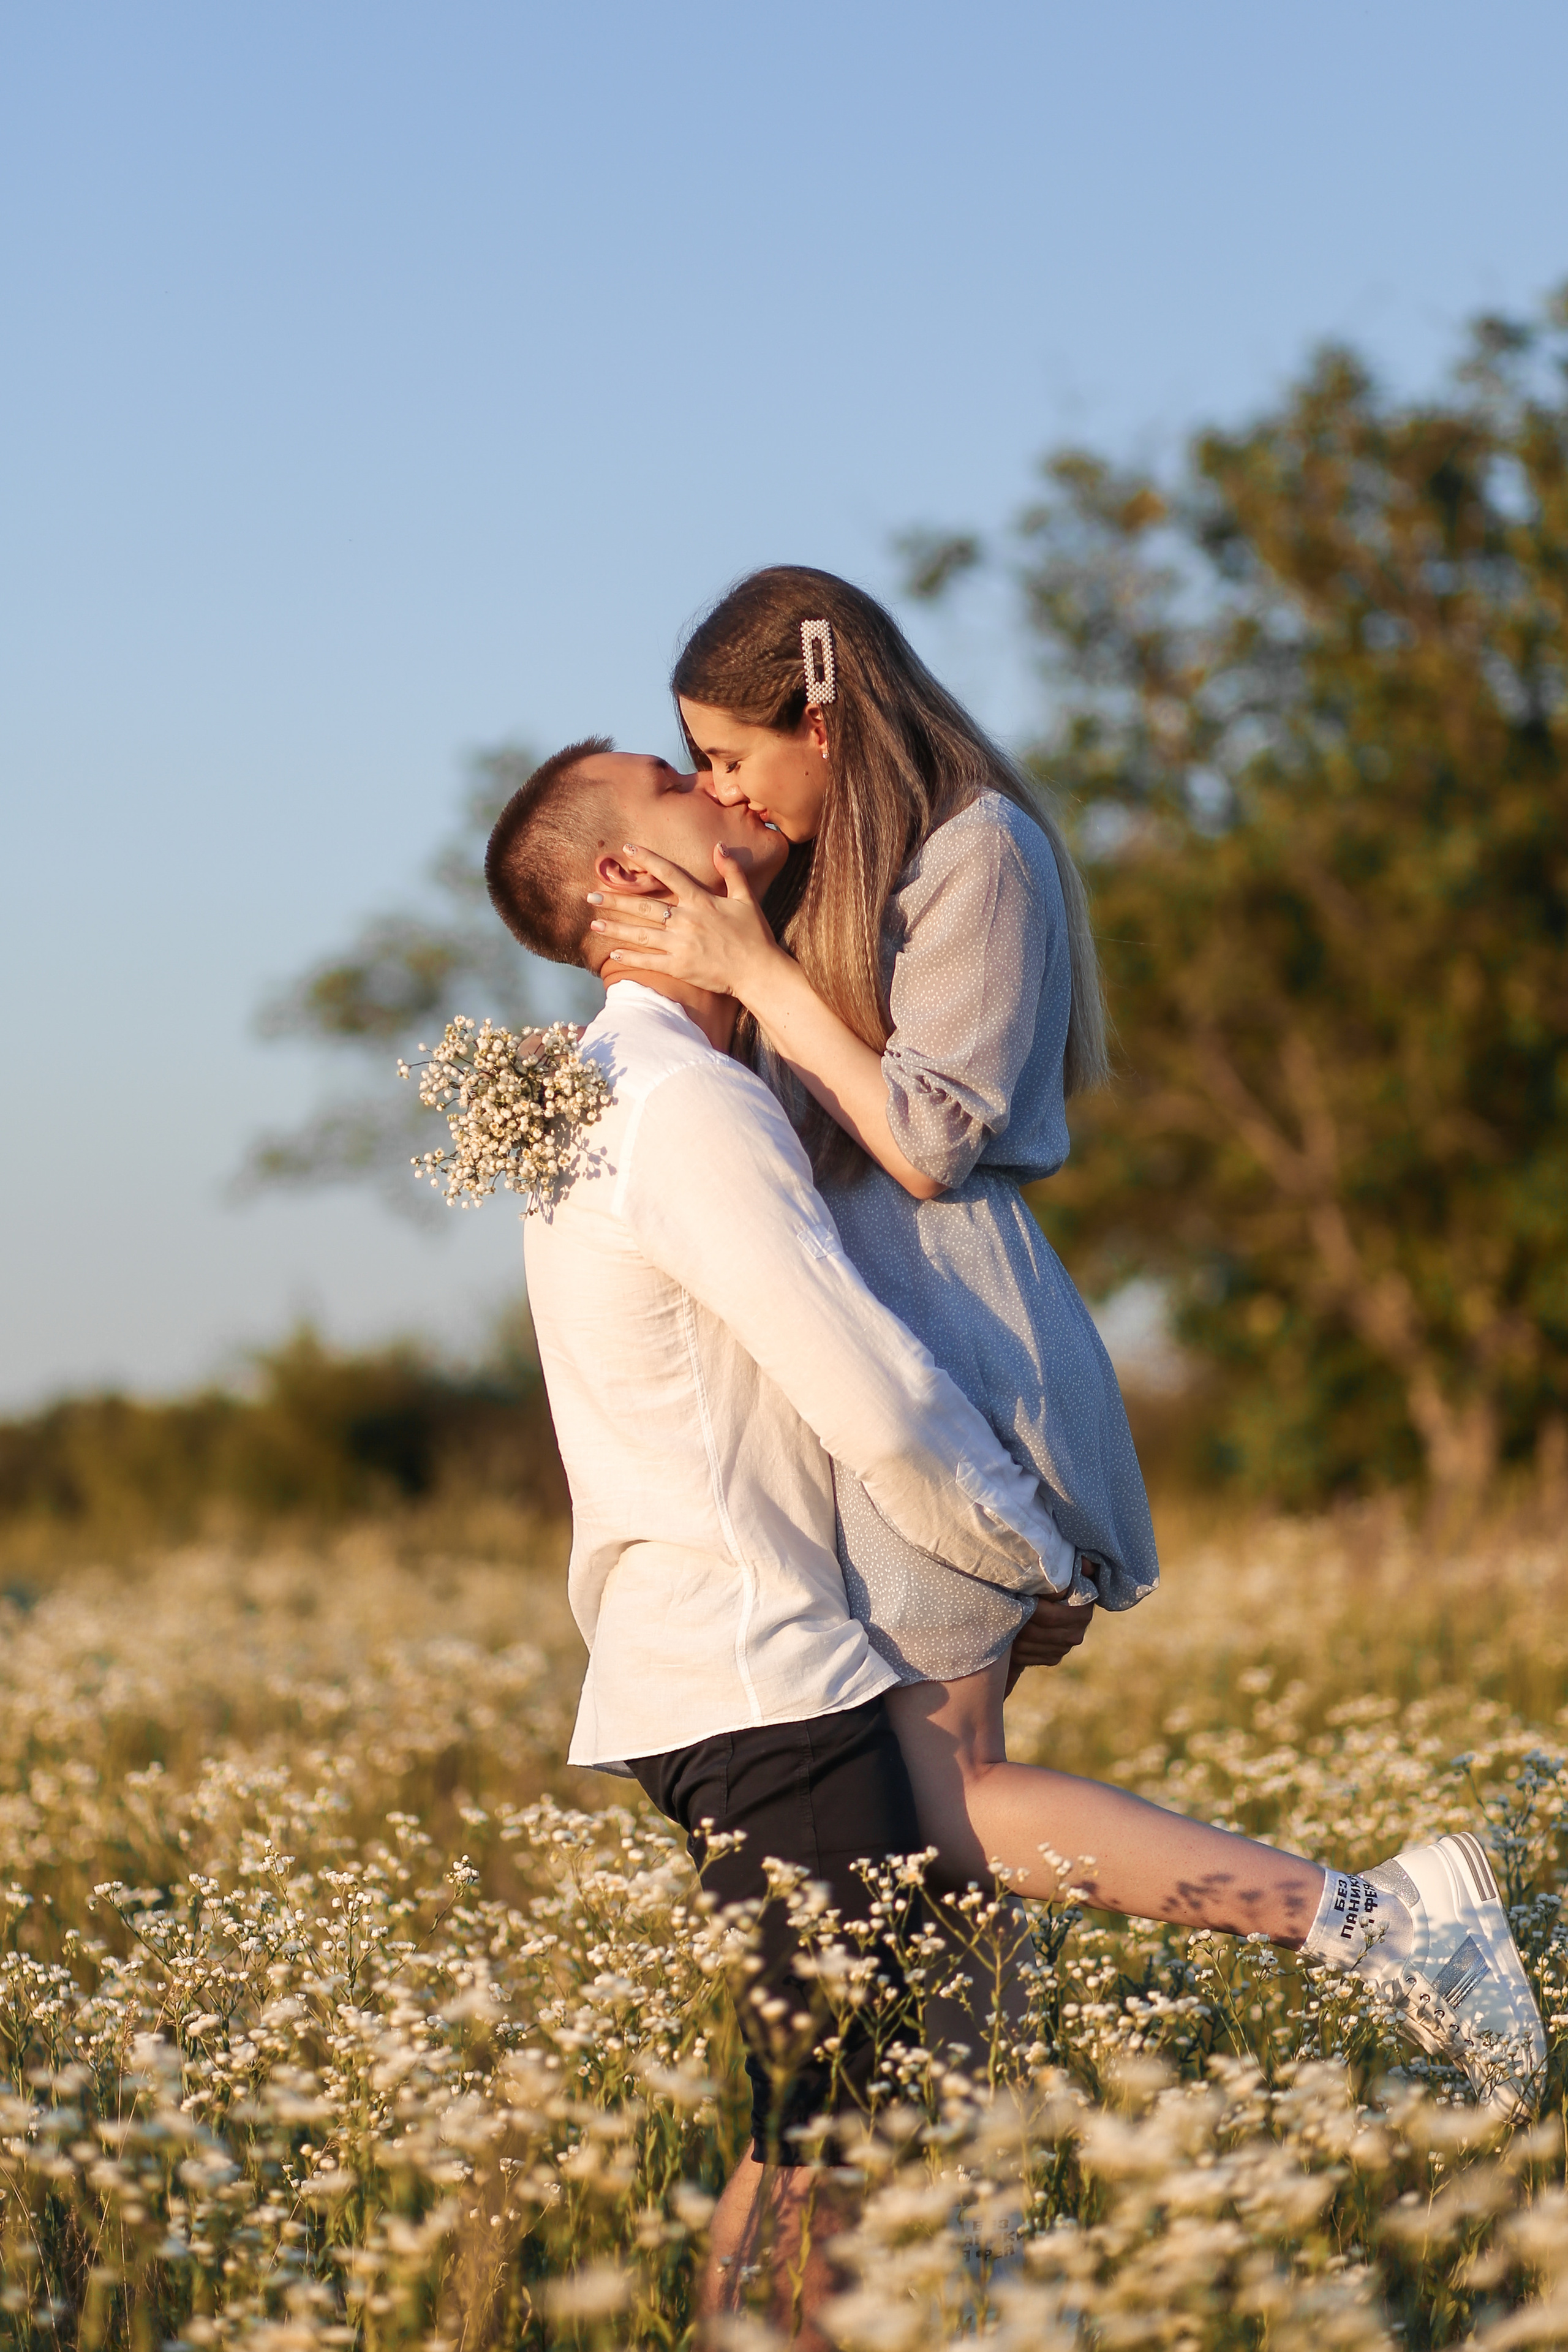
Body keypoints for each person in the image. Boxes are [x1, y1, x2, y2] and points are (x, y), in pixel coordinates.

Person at [576, 574, 1547, 2117]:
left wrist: (754, 973)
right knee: (937, 1847)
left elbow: (924, 1144)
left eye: (734, 757)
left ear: (820, 718)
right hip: (866, 1375)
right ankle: (964, 2198)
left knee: (938, 1797)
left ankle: (1375, 1919)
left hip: (951, 1346)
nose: (719, 791)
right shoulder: (828, 872)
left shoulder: (978, 855)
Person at [484, 740, 1090, 2346]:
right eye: (680, 786)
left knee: (811, 2130)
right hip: (761, 1675)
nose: (723, 790)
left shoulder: (648, 1082)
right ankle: (1358, 1920)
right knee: (836, 2143)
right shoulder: (678, 1105)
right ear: (626, 879)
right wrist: (1029, 1539)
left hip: (724, 1669)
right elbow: (870, 1395)